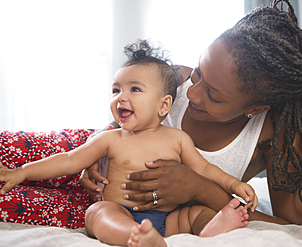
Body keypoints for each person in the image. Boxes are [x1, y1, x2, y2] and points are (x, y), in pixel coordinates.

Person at [81, 2, 302, 245]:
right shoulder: (175, 80)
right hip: (112, 198)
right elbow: (120, 121)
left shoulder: (277, 133)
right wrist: (95, 151)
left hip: (176, 220)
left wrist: (200, 189)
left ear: (255, 108)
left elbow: (295, 227)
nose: (192, 93)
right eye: (199, 72)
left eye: (213, 96)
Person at [0, 39, 257, 246]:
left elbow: (203, 170)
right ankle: (134, 236)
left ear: (164, 104)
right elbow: (69, 160)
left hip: (170, 217)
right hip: (122, 211)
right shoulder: (111, 139)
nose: (121, 97)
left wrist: (234, 184)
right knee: (98, 213)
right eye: (116, 90)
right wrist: (22, 172)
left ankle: (210, 231)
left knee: (200, 212)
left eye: (134, 89)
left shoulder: (178, 139)